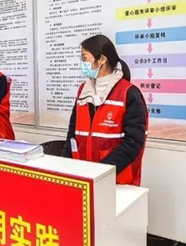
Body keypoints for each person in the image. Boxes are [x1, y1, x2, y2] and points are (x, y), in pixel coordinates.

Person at [62, 34, 148, 186]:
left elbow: (133, 143)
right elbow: (72, 133)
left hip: (116, 181)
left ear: (102, 59)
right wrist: (65, 165)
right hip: (83, 177)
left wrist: (100, 172)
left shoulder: (128, 93)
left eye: (84, 58)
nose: (82, 63)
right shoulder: (84, 91)